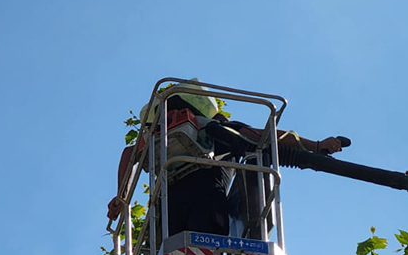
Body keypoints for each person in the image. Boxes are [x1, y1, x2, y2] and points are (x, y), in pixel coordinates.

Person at [107, 86, 350, 239]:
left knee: (179, 253)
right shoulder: (219, 128)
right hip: (205, 194)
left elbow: (129, 154)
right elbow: (265, 137)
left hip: (172, 202)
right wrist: (316, 146)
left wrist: (122, 196)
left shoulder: (165, 137)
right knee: (205, 249)